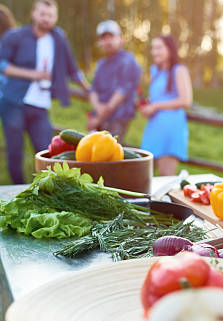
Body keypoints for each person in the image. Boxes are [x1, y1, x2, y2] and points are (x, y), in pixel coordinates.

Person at [0, 0, 88, 184]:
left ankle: (45, 190)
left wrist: (89, 90)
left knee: (45, 152)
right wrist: (33, 74)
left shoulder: (59, 39)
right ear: (34, 14)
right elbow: (3, 65)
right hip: (14, 102)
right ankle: (19, 190)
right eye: (42, 14)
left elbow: (73, 70)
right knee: (15, 151)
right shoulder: (15, 36)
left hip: (40, 106)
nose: (46, 18)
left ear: (55, 18)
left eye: (50, 15)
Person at [139, 35, 192, 176]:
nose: (154, 52)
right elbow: (159, 97)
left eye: (159, 48)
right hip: (153, 128)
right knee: (143, 176)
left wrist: (156, 106)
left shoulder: (179, 70)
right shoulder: (155, 72)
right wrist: (148, 105)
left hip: (171, 129)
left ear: (170, 49)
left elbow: (186, 100)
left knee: (165, 177)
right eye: (153, 48)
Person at [88, 20, 141, 143]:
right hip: (100, 119)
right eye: (104, 38)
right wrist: (97, 110)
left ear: (120, 39)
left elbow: (120, 94)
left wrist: (98, 118)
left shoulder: (128, 61)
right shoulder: (101, 64)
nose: (108, 41)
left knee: (110, 153)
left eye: (111, 37)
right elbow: (93, 90)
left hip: (118, 118)